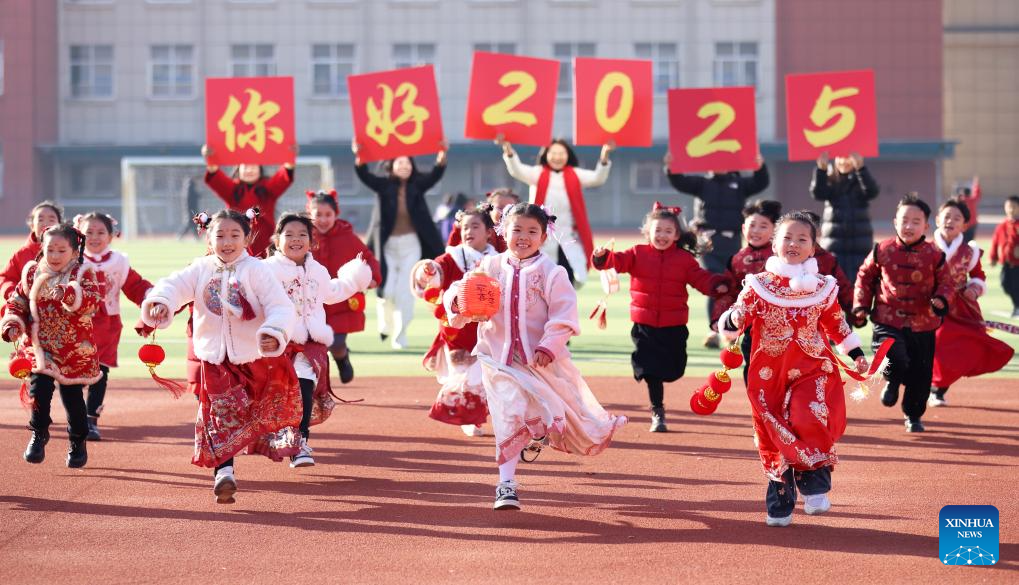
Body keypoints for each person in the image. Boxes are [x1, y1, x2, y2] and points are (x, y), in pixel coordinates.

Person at [443, 203, 626, 510]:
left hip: (538, 362)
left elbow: (564, 315)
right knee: (507, 414)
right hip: (496, 358)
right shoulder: (489, 267)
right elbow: (458, 291)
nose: (523, 237)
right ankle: (506, 485)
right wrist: (459, 304)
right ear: (503, 232)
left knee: (550, 411)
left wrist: (548, 346)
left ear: (544, 236)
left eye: (532, 231)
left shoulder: (553, 274)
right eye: (516, 230)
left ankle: (537, 433)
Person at [719, 211, 869, 527]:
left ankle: (815, 487)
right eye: (787, 237)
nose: (794, 244)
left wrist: (855, 352)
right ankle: (780, 504)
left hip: (811, 367)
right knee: (774, 437)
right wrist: (731, 321)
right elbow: (739, 314)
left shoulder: (823, 287)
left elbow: (837, 323)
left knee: (807, 415)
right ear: (775, 244)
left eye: (802, 239)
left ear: (813, 248)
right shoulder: (758, 285)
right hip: (767, 374)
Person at [140, 210, 299, 504]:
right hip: (213, 360)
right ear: (209, 239)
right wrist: (162, 302)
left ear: (248, 237)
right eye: (220, 235)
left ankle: (286, 445)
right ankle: (224, 472)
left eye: (234, 235)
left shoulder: (257, 270)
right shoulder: (200, 269)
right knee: (216, 414)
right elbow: (172, 286)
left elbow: (280, 306)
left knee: (252, 411)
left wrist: (273, 331)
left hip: (252, 358)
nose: (227, 242)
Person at [593, 202, 726, 433]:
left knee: (675, 370)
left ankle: (660, 382)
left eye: (668, 231)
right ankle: (657, 410)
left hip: (674, 325)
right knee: (650, 370)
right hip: (644, 324)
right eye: (657, 230)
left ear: (676, 235)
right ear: (648, 232)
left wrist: (718, 285)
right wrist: (602, 257)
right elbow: (616, 261)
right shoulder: (637, 253)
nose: (662, 235)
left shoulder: (684, 260)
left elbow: (701, 279)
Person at [264, 213, 373, 467]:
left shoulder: (318, 270)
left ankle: (300, 443)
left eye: (302, 234)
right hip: (279, 344)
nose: (295, 239)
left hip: (311, 345)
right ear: (277, 240)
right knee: (279, 395)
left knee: (304, 391)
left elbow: (333, 293)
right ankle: (280, 435)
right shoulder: (267, 270)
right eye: (288, 234)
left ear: (312, 242)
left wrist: (354, 278)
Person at [1, 223, 103, 468]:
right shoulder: (31, 272)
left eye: (61, 250)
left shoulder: (83, 273)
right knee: (39, 391)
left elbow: (92, 302)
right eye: (50, 250)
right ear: (42, 248)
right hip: (40, 346)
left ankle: (78, 442)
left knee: (73, 399)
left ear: (74, 250)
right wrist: (13, 323)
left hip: (74, 348)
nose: (55, 256)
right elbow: (18, 302)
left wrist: (69, 293)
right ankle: (38, 433)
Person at [853, 193, 952, 433]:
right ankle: (892, 380)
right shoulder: (882, 250)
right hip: (887, 319)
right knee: (892, 353)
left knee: (921, 373)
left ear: (926, 226)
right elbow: (864, 278)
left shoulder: (935, 255)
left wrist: (940, 299)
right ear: (895, 221)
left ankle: (913, 416)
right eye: (904, 220)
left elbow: (947, 283)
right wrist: (861, 306)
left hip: (923, 323)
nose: (909, 226)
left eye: (915, 222)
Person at [664, 152, 769, 348]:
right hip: (708, 242)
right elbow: (680, 182)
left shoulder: (739, 184)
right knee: (716, 282)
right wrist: (670, 167)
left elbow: (761, 182)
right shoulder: (703, 184)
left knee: (732, 286)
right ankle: (713, 331)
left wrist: (760, 165)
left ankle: (731, 328)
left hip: (731, 242)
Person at [412, 203, 499, 438]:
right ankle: (470, 418)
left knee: (485, 375)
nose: (468, 231)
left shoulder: (497, 259)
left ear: (489, 232)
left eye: (475, 226)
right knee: (460, 376)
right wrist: (427, 270)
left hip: (487, 328)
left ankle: (482, 415)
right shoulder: (452, 258)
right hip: (456, 329)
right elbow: (435, 270)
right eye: (464, 227)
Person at [355, 142, 448, 350]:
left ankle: (401, 334)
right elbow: (365, 176)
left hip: (411, 244)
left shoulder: (417, 186)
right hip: (386, 246)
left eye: (407, 162)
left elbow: (435, 175)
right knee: (386, 290)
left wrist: (441, 157)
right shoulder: (383, 186)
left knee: (406, 292)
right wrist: (360, 159)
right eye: (400, 162)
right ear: (392, 165)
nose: (404, 166)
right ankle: (385, 324)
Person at [75, 212, 153, 441]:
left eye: (101, 232)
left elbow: (136, 286)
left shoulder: (119, 261)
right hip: (79, 326)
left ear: (111, 236)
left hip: (108, 326)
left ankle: (91, 421)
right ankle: (76, 418)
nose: (94, 237)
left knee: (100, 373)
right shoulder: (74, 259)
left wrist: (154, 297)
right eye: (88, 232)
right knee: (76, 375)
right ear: (79, 234)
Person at [929, 198, 1013, 406]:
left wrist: (975, 288)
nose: (950, 221)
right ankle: (929, 384)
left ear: (965, 225)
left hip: (960, 308)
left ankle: (938, 389)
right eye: (947, 216)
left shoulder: (970, 251)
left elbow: (978, 275)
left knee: (962, 347)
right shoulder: (926, 248)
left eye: (956, 218)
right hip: (931, 307)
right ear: (938, 219)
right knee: (934, 345)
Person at [500, 138, 613, 288]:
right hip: (542, 236)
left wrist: (605, 154)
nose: (557, 157)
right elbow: (517, 169)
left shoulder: (575, 174)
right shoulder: (537, 173)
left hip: (567, 236)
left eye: (561, 153)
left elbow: (597, 178)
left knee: (572, 279)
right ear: (546, 154)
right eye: (553, 153)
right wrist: (507, 148)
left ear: (568, 155)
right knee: (541, 278)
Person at [306, 190, 381, 383]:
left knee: (336, 342)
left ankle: (342, 358)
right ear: (309, 214)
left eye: (328, 215)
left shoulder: (346, 236)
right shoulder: (303, 236)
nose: (323, 220)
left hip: (341, 300)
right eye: (318, 215)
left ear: (335, 214)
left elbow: (368, 257)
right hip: (311, 302)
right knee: (312, 346)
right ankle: (315, 382)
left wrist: (371, 276)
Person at [710, 199, 782, 384]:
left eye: (763, 226)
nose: (756, 231)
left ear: (775, 230)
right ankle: (757, 405)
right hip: (750, 325)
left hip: (780, 325)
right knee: (752, 364)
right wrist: (719, 319)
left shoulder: (782, 257)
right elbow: (728, 293)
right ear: (743, 228)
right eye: (752, 225)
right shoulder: (736, 260)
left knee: (780, 368)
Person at [201, 144, 298, 258]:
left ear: (259, 169)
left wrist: (290, 156)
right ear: (238, 169)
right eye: (245, 166)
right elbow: (214, 174)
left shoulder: (268, 188)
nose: (249, 169)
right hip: (236, 244)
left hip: (266, 245)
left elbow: (284, 174)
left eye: (253, 166)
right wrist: (210, 157)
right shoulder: (232, 190)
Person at [810, 152, 880, 287]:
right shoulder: (830, 180)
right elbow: (817, 193)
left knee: (860, 284)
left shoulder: (860, 181)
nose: (844, 161)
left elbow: (872, 191)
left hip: (860, 243)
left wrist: (861, 168)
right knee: (834, 283)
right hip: (835, 243)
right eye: (840, 157)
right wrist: (821, 170)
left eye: (848, 158)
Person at [0, 201, 63, 302]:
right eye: (40, 219)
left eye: (51, 219)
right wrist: (13, 294)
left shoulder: (69, 252)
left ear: (60, 225)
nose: (46, 223)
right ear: (32, 226)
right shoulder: (21, 254)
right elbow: (6, 279)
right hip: (26, 307)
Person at [989, 195, 1019, 318]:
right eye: (1008, 206)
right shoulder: (1001, 226)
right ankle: (1017, 305)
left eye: (1014, 206)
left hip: (1017, 264)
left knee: (1017, 285)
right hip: (1006, 262)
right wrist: (993, 257)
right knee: (1005, 284)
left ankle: (1017, 307)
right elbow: (995, 242)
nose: (1011, 209)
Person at [177, 175, 203, 241]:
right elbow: (195, 197)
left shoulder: (190, 187)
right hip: (191, 209)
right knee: (190, 223)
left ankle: (196, 237)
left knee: (192, 223)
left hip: (191, 209)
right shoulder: (190, 188)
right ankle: (180, 236)